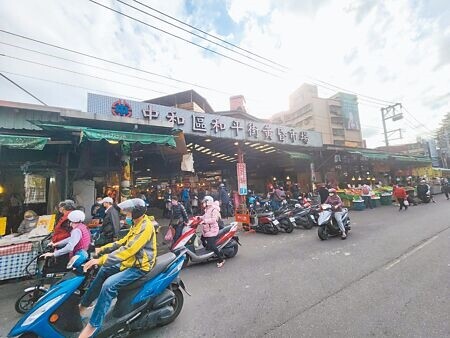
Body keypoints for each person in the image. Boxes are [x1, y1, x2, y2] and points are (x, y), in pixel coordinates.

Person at [79, 199, 157, 338]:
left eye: (128, 212)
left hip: (140, 266)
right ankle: (83, 306)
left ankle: (94, 324)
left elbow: (128, 250)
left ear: (136, 213)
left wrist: (101, 260)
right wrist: (101, 250)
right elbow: (122, 242)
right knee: (103, 270)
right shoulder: (136, 223)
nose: (125, 215)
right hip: (130, 262)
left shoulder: (146, 227)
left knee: (109, 286)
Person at [200, 196, 225, 268]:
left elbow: (213, 219)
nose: (203, 203)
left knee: (212, 245)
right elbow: (204, 216)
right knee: (202, 239)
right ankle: (208, 252)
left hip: (212, 230)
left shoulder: (214, 210)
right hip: (207, 229)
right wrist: (197, 218)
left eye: (205, 202)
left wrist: (204, 221)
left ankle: (221, 260)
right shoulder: (207, 209)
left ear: (208, 202)